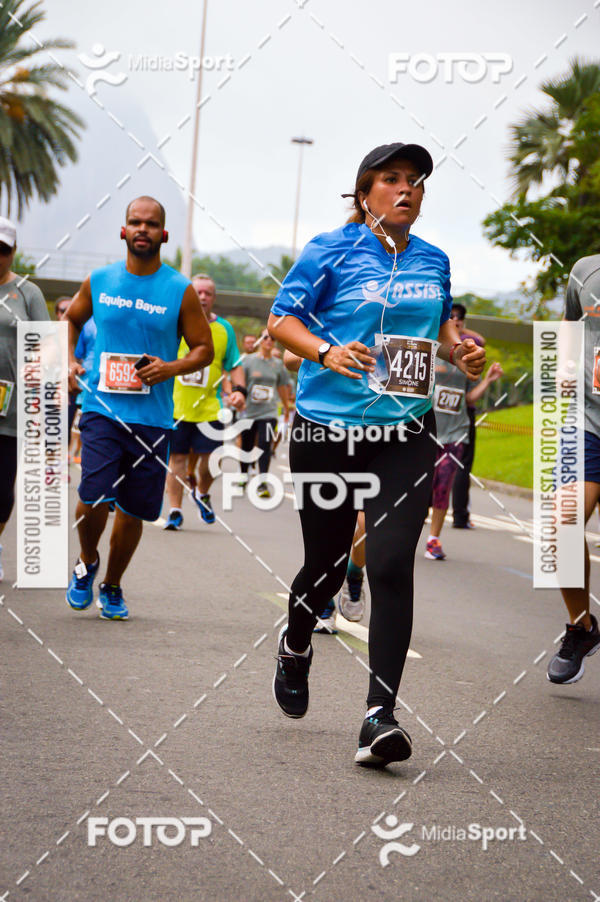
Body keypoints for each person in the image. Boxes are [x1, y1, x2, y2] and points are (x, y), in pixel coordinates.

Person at [267, 142, 484, 767]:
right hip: (326, 429)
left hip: (403, 432)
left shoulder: (434, 260)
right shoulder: (329, 250)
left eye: (415, 181)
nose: (406, 189)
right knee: (327, 565)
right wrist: (325, 352)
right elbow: (283, 321)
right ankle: (298, 639)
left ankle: (378, 716)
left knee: (390, 566)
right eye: (392, 179)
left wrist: (459, 351)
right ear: (366, 191)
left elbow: (439, 334)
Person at [65, 196, 213, 619]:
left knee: (133, 512)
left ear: (163, 234)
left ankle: (111, 585)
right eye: (135, 222)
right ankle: (87, 560)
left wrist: (171, 367)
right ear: (123, 231)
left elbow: (202, 348)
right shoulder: (100, 280)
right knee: (93, 495)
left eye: (151, 224)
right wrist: (71, 358)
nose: (142, 229)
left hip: (152, 418)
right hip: (102, 408)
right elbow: (72, 318)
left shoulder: (178, 290)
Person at [547, 255, 600, 683]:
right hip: (586, 421)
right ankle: (581, 626)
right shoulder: (585, 269)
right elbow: (568, 321)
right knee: (562, 525)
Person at [164, 274, 245, 529]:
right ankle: (175, 511)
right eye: (197, 292)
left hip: (210, 408)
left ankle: (202, 492)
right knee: (176, 460)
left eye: (207, 293)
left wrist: (240, 390)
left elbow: (235, 365)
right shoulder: (173, 324)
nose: (202, 297)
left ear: (213, 298)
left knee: (211, 461)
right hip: (176, 407)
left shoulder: (224, 329)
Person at [0, 217, 49, 582]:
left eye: (2, 251)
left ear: (13, 252)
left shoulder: (28, 293)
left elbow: (47, 347)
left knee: (2, 489)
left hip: (12, 409)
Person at [425, 360, 502, 560]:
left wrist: (487, 381)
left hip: (455, 434)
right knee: (422, 488)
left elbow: (469, 398)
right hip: (426, 432)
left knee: (443, 486)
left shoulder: (465, 360)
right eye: (454, 324)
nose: (457, 325)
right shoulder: (431, 352)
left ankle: (433, 539)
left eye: (460, 324)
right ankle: (406, 535)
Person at [239, 329, 290, 498]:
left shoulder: (278, 364)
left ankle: (262, 482)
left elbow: (282, 387)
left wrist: (286, 407)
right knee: (246, 445)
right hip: (249, 411)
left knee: (264, 445)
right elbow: (240, 383)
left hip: (269, 411)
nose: (269, 340)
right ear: (260, 340)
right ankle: (244, 475)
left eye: (273, 338)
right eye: (266, 337)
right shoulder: (248, 361)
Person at [449, 303, 486, 529]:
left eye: (459, 318)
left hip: (462, 412)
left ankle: (460, 515)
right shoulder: (440, 343)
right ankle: (424, 510)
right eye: (450, 317)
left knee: (461, 465)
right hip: (437, 413)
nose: (454, 320)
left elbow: (481, 340)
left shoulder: (471, 347)